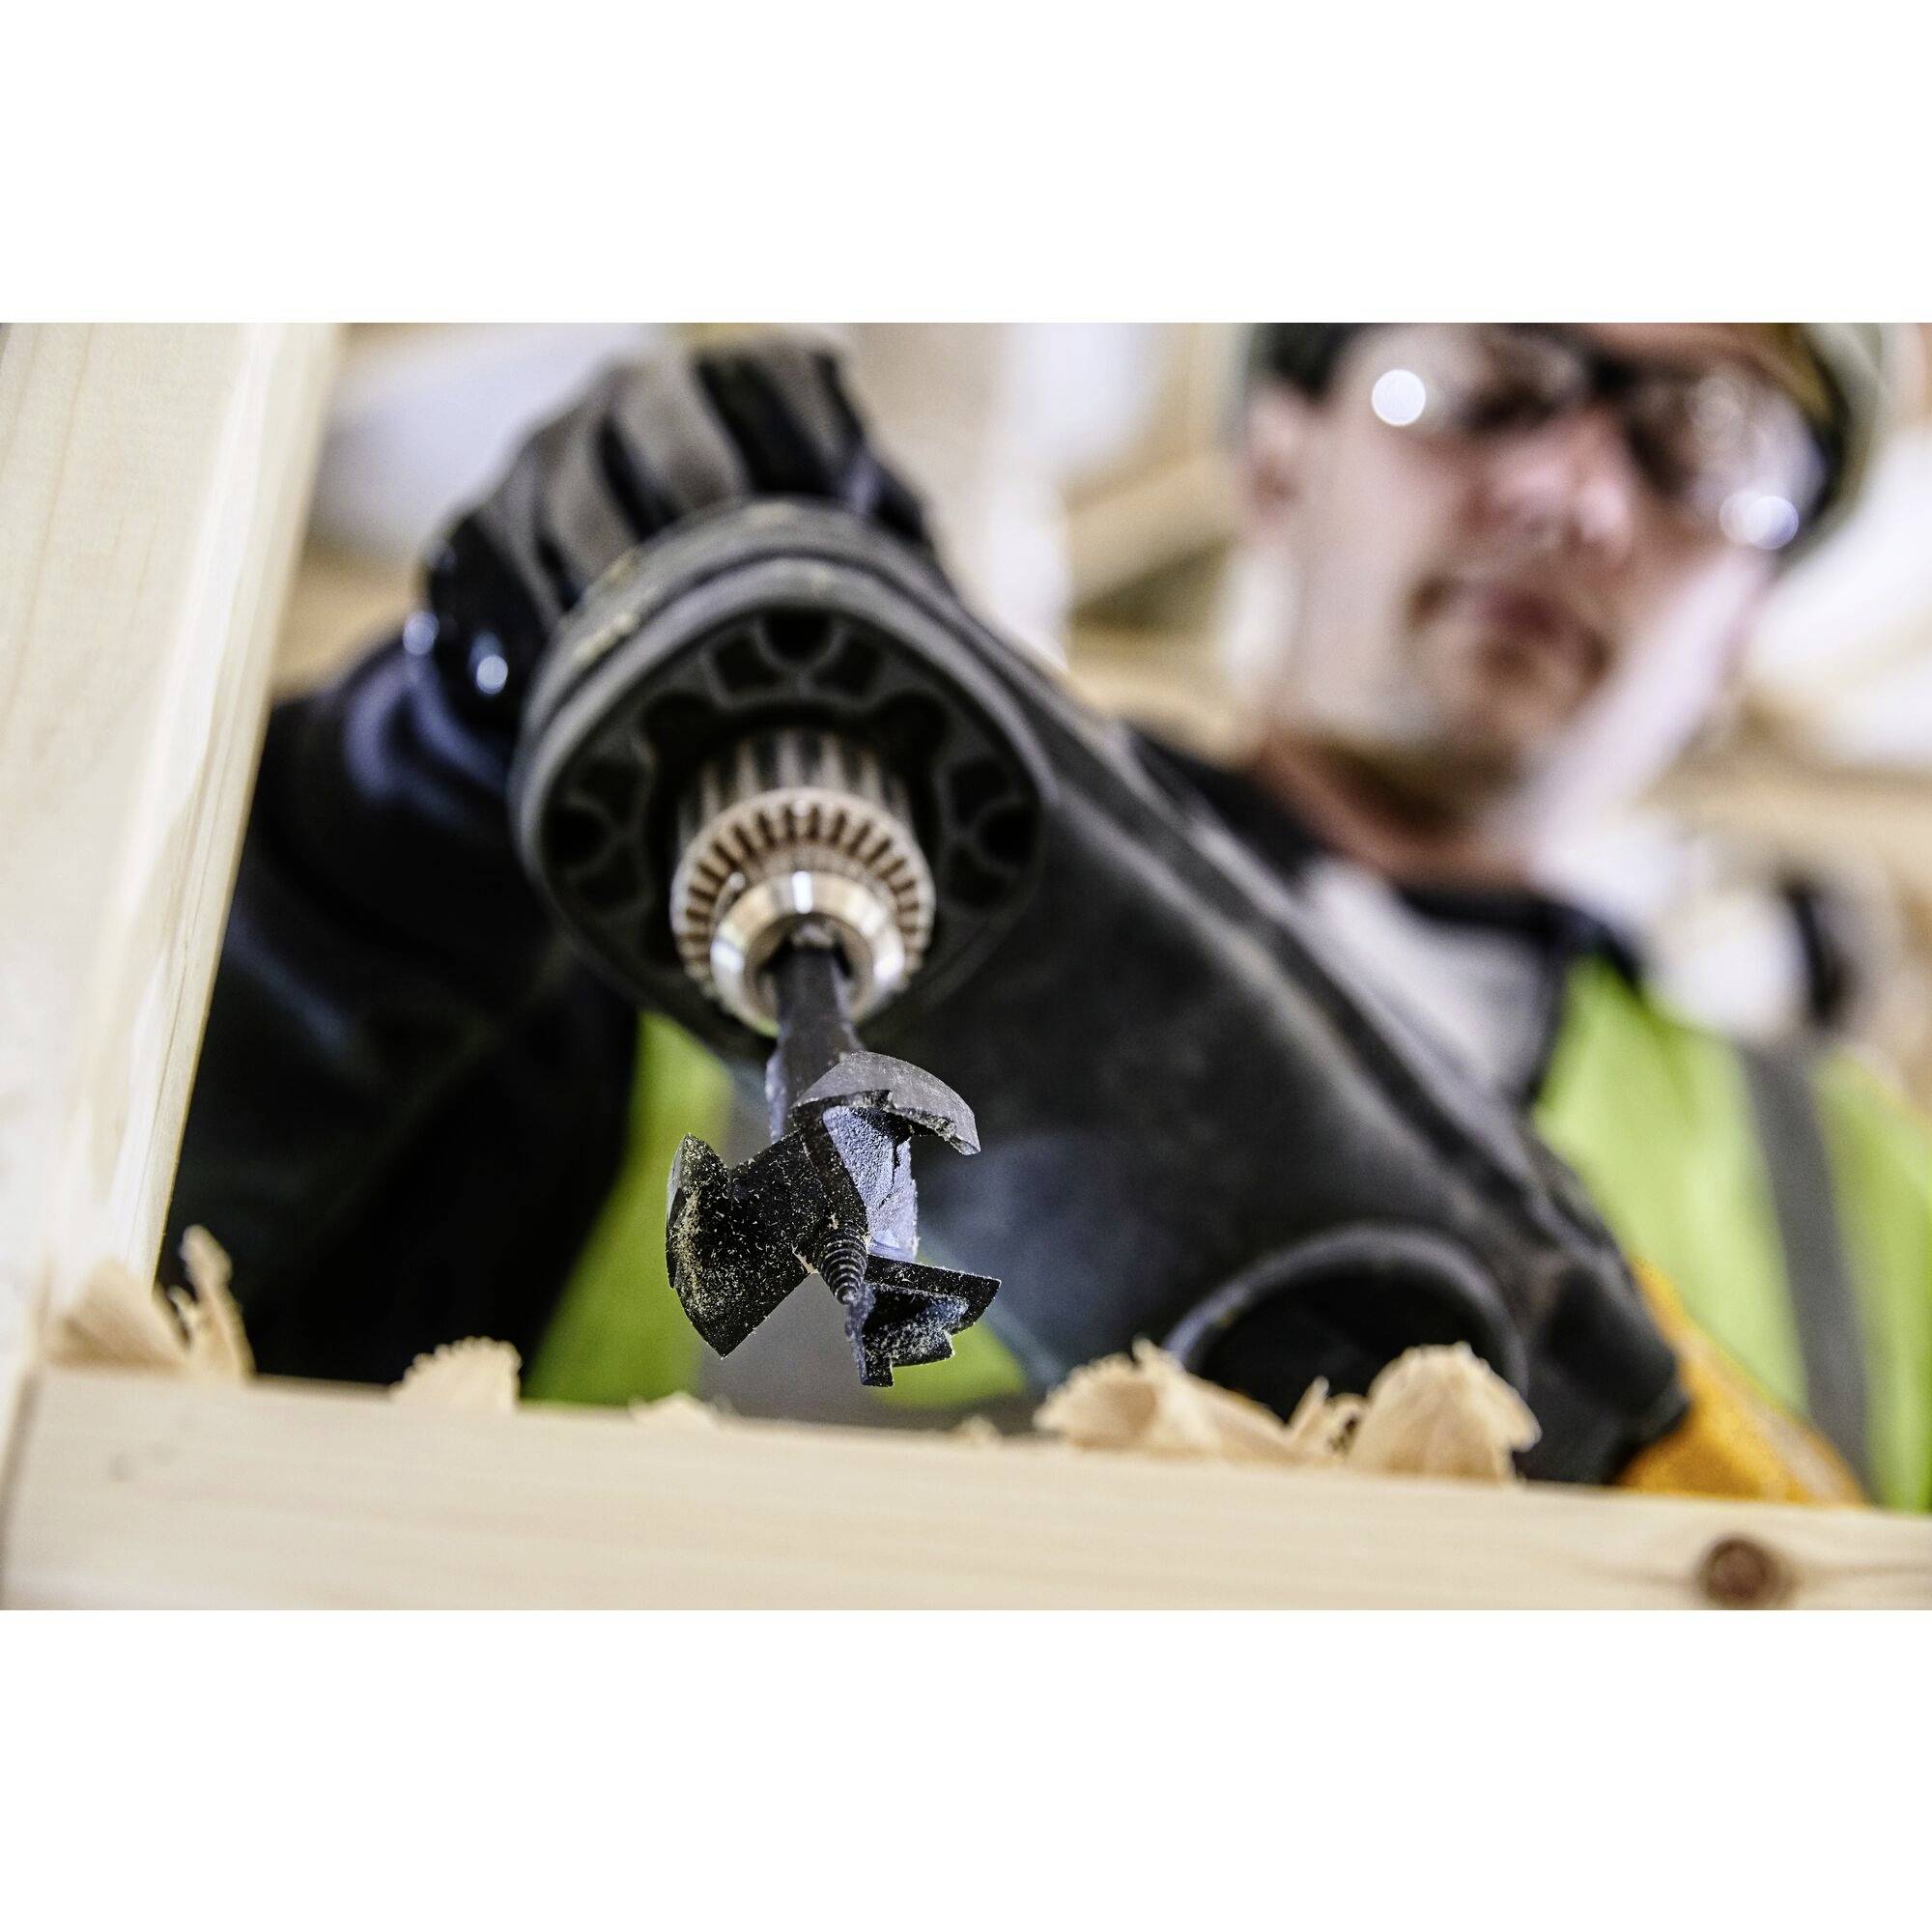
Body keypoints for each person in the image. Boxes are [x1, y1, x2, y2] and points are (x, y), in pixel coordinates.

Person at [165, 327, 1931, 1508]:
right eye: (1487, 377)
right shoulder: (726, 907)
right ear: (1280, 458)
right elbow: (174, 1291)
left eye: (1708, 445)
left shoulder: (1862, 1186)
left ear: (1741, 632)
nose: (1573, 493)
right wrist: (402, 795)